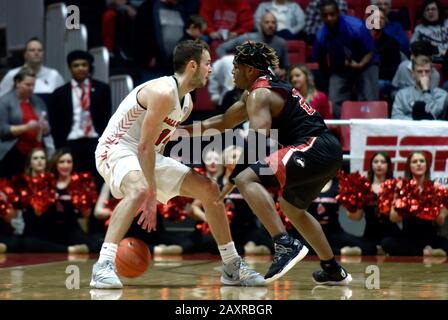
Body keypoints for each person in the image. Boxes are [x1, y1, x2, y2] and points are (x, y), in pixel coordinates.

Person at [90, 40, 265, 289]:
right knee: (139, 189)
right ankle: (103, 265)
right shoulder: (163, 91)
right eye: (207, 63)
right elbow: (144, 146)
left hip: (147, 154)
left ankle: (231, 265)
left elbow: (171, 137)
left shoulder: (186, 103)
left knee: (210, 190)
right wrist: (150, 195)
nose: (211, 69)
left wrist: (231, 119)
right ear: (192, 65)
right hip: (116, 148)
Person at [181, 41, 352, 285]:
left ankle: (284, 244)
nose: (232, 73)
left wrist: (234, 177)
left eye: (236, 67)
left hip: (315, 146)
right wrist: (178, 132)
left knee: (245, 177)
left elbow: (258, 141)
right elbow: (222, 122)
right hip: (325, 152)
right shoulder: (257, 90)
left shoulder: (260, 93)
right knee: (292, 208)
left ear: (250, 69)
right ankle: (332, 269)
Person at [0, 67, 54, 178]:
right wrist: (26, 127)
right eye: (27, 85)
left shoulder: (38, 101)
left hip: (36, 150)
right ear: (17, 82)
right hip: (14, 151)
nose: (31, 88)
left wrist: (45, 127)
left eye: (33, 85)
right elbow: (3, 130)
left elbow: (47, 131)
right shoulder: (4, 101)